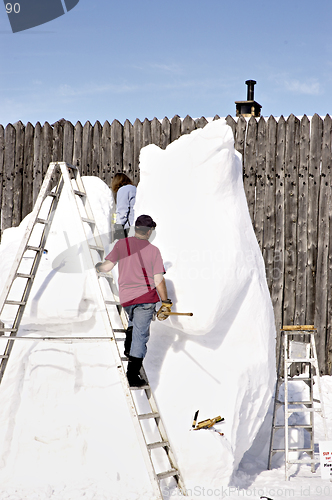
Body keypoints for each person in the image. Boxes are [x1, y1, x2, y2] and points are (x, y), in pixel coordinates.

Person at [95, 215, 172, 387]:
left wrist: (98, 267)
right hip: (145, 299)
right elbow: (158, 279)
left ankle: (129, 347)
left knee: (134, 325)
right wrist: (165, 301)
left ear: (135, 228)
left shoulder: (122, 244)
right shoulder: (154, 251)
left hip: (127, 299)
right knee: (140, 335)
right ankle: (132, 375)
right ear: (150, 231)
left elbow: (107, 266)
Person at [111, 173, 136, 239]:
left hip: (129, 227)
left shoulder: (123, 190)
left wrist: (118, 226)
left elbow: (122, 211)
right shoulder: (134, 189)